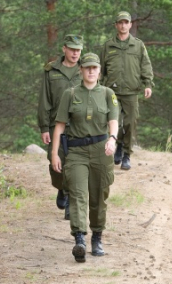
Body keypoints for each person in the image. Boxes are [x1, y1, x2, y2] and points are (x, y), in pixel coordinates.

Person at [51, 52, 119, 263]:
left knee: (98, 196)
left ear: (99, 71)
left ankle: (97, 237)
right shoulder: (70, 94)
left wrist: (112, 139)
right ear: (80, 70)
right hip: (77, 151)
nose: (91, 71)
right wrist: (54, 153)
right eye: (87, 67)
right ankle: (79, 239)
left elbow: (114, 120)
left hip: (101, 150)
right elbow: (60, 125)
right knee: (78, 194)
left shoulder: (108, 94)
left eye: (94, 68)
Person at [100, 11, 154, 171]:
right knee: (112, 122)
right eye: (120, 22)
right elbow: (100, 69)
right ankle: (116, 146)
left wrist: (148, 84)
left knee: (130, 123)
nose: (123, 25)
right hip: (112, 92)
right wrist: (96, 87)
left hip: (131, 91)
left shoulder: (138, 45)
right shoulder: (108, 45)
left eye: (126, 22)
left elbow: (146, 65)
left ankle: (126, 154)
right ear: (116, 25)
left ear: (130, 25)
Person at [37, 34, 83, 220]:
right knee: (55, 164)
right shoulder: (52, 71)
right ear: (64, 48)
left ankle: (71, 203)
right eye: (72, 49)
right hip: (57, 126)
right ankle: (61, 188)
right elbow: (44, 100)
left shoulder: (85, 69)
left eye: (78, 50)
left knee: (76, 165)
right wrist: (43, 127)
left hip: (80, 127)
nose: (75, 53)